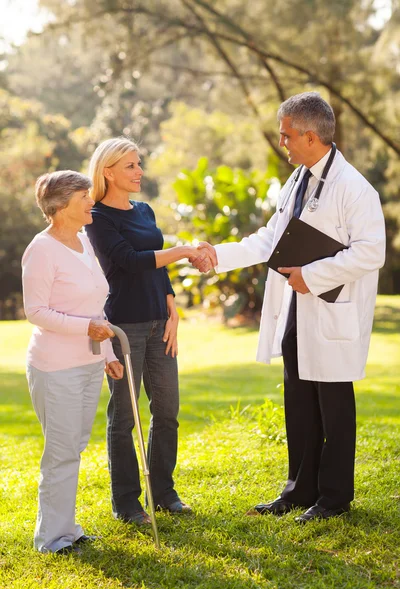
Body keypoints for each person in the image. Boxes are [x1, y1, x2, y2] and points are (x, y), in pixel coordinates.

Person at [192, 92, 386, 522]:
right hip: (297, 310)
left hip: (331, 309)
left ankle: (334, 499)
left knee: (333, 409)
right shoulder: (297, 179)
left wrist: (312, 277)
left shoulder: (355, 188)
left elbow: (372, 252)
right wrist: (217, 255)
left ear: (311, 137)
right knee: (298, 402)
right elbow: (270, 239)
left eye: (286, 135)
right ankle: (299, 492)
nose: (282, 143)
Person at [85, 137, 207, 525]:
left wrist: (171, 304)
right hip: (123, 325)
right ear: (108, 172)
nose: (140, 172)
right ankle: (126, 502)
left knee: (167, 410)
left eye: (139, 164)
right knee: (124, 416)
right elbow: (129, 261)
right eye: (130, 166)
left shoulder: (145, 210)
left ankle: (163, 492)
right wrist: (185, 249)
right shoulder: (97, 218)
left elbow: (157, 267)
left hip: (159, 321)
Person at [22, 170, 124, 553]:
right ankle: (52, 539)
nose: (91, 201)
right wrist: (87, 329)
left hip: (87, 363)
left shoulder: (83, 241)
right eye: (84, 196)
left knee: (74, 446)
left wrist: (108, 355)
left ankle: (67, 527)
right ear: (62, 205)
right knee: (61, 451)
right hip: (55, 367)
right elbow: (36, 311)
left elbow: (96, 307)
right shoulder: (41, 249)